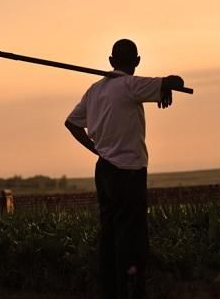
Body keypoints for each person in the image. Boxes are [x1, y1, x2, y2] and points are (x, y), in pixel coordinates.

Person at [65, 39, 184, 299]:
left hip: (104, 169)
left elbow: (72, 123)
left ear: (110, 61)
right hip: (129, 172)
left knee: (109, 235)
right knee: (131, 239)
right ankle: (131, 293)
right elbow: (176, 80)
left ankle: (110, 291)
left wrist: (95, 148)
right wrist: (166, 88)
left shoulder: (94, 90)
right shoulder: (131, 85)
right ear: (137, 61)